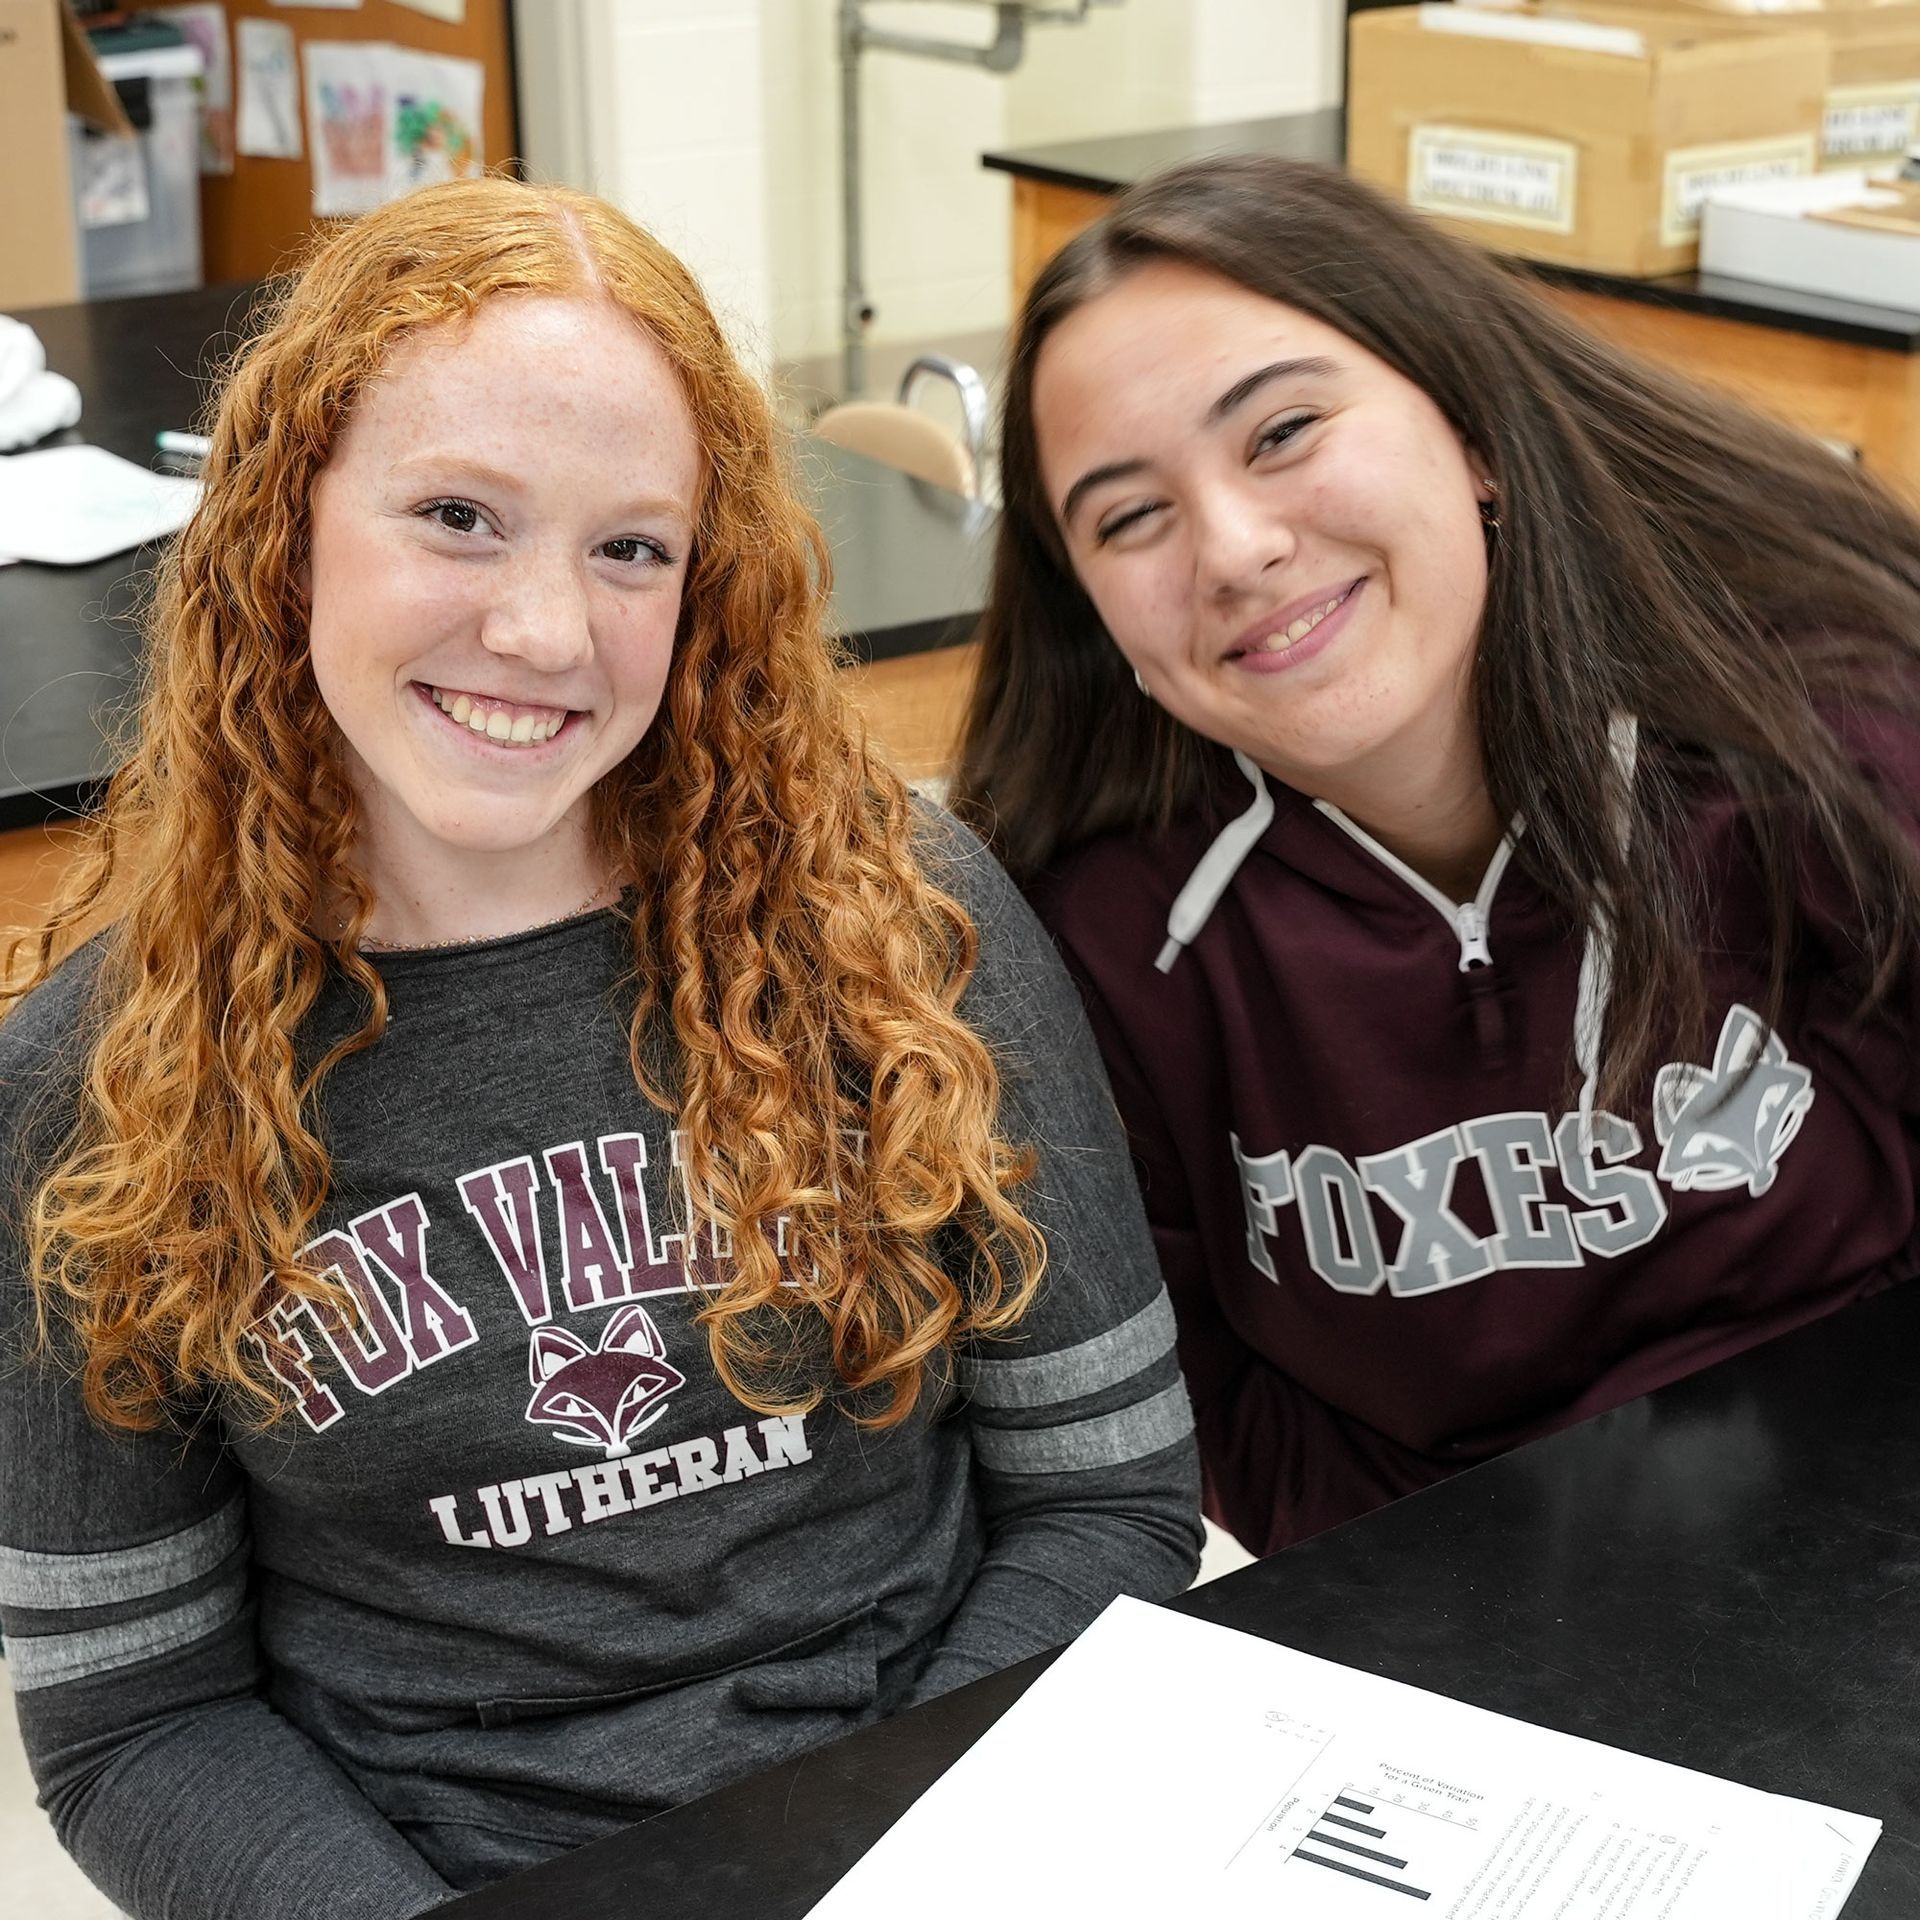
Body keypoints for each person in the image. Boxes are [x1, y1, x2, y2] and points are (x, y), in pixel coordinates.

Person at [0, 180, 1201, 1919]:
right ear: (285, 526)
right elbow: (136, 1719)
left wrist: (900, 1865)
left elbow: (1114, 1505)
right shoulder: (92, 1081)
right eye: (460, 516)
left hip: (951, 1821)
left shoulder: (901, 932)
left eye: (631, 546)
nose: (547, 631)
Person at [953, 154, 1920, 1560]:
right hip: (1464, 1642)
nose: (1232, 547)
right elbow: (1196, 1397)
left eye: (1281, 431)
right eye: (1131, 516)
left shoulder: (1823, 738)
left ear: (1474, 434)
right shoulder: (1095, 939)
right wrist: (1481, 1616)